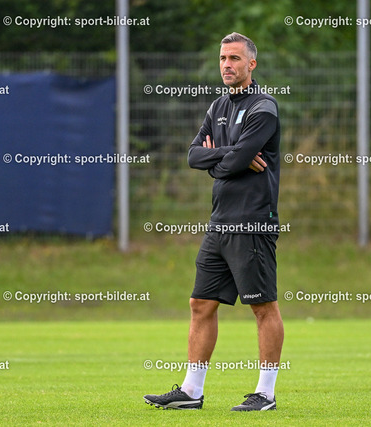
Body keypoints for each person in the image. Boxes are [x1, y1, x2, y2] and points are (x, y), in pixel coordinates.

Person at [144, 32, 284, 411]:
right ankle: (191, 391)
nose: (227, 65)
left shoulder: (264, 108)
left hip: (252, 223)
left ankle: (266, 394)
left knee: (263, 307)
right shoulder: (217, 106)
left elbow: (234, 161)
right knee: (200, 304)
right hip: (219, 222)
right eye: (223, 58)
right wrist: (228, 156)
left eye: (235, 58)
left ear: (251, 64)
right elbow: (194, 155)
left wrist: (221, 159)